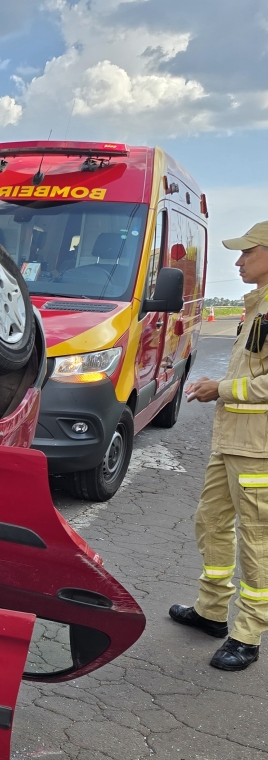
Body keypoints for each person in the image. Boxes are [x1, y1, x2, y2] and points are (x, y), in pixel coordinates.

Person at [170, 220, 268, 670]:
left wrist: (222, 389)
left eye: (247, 252)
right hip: (232, 441)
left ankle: (247, 635)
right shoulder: (257, 306)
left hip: (258, 448)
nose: (239, 261)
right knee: (211, 521)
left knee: (257, 542)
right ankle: (211, 611)